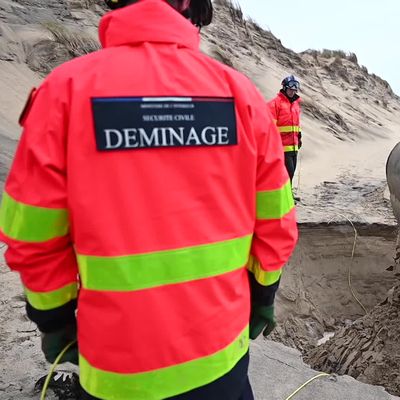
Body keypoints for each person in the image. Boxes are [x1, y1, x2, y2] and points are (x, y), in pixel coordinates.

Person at [0, 0, 298, 399]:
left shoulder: (63, 92)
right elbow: (276, 223)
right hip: (221, 358)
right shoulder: (239, 95)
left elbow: (32, 236)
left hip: (116, 370)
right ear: (188, 4)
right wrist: (263, 296)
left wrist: (54, 319)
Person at [268, 75, 302, 191]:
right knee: (288, 173)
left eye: (294, 90)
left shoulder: (296, 104)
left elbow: (297, 123)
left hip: (294, 146)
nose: (292, 92)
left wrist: (299, 136)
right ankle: (284, 196)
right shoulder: (275, 104)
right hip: (282, 147)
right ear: (284, 88)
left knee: (291, 174)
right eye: (290, 89)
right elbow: (270, 126)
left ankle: (288, 195)